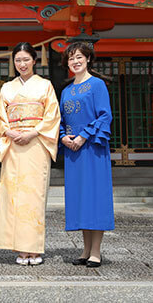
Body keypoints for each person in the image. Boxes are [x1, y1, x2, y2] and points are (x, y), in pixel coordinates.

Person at [0, 42, 60, 265]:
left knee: (34, 196)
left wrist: (32, 133)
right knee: (13, 197)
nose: (22, 64)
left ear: (34, 61)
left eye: (26, 59)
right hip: (13, 145)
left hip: (36, 144)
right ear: (14, 63)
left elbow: (52, 117)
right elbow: (0, 118)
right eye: (18, 60)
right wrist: (11, 132)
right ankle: (21, 249)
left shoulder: (46, 85)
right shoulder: (7, 88)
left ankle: (34, 249)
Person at [60, 41, 114, 268]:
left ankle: (96, 251)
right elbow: (60, 119)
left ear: (89, 59)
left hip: (92, 148)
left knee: (95, 198)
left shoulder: (98, 85)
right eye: (71, 58)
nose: (76, 61)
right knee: (80, 199)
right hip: (73, 151)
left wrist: (83, 136)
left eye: (79, 56)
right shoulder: (66, 90)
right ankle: (84, 249)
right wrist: (63, 136)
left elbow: (104, 116)